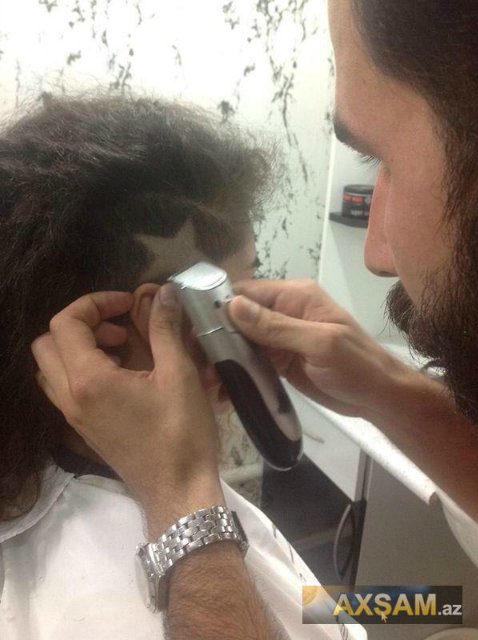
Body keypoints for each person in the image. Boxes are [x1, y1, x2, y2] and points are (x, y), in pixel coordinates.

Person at [0, 95, 358, 640]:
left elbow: (300, 602)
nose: (256, 320)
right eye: (233, 294)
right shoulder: (107, 610)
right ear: (159, 317)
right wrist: (185, 495)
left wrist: (435, 605)